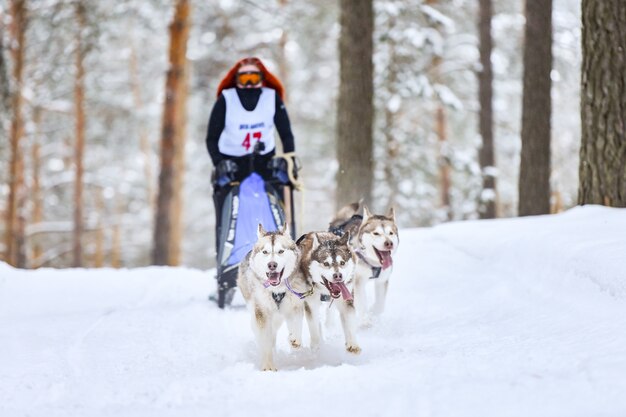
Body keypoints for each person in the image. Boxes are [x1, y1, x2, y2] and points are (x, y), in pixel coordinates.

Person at [206, 57, 299, 307]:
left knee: (276, 209)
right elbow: (211, 137)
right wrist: (219, 163)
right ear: (236, 79)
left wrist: (289, 161)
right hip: (232, 164)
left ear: (262, 79)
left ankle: (289, 272)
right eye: (243, 78)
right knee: (227, 216)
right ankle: (225, 280)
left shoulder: (271, 98)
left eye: (253, 78)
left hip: (263, 162)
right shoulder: (226, 99)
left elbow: (286, 134)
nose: (248, 83)